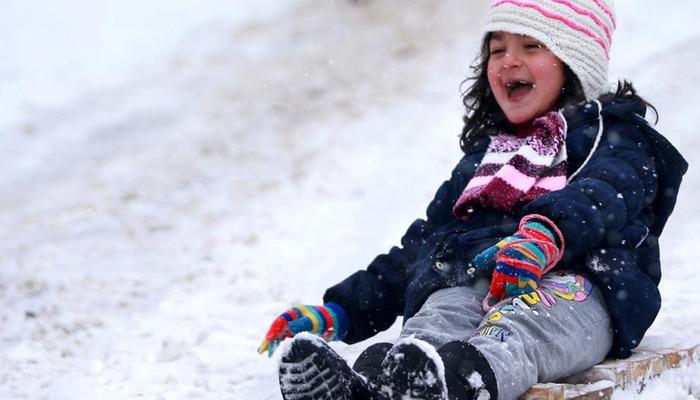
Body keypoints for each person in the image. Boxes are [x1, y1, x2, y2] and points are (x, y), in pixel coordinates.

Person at [258, 1, 687, 399]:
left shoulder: (614, 138)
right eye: (496, 49)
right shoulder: (489, 158)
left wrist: (544, 236)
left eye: (531, 45)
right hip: (479, 280)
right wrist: (342, 309)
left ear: (574, 60)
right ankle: (375, 385)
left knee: (517, 330)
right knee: (433, 321)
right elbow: (427, 244)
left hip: (581, 286)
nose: (508, 61)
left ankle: (455, 385)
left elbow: (602, 195)